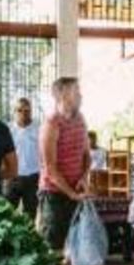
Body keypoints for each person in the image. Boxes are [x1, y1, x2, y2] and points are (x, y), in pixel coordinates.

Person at [38, 76, 92, 254]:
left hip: (75, 193)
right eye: (76, 91)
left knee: (73, 250)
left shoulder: (80, 119)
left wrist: (84, 178)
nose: (81, 95)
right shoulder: (51, 124)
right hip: (54, 195)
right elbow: (50, 168)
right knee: (52, 250)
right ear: (62, 96)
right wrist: (70, 193)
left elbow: (86, 154)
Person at [6, 95, 42, 217]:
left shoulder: (39, 129)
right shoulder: (8, 129)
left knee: (30, 215)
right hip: (12, 177)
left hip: (33, 178)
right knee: (7, 214)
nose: (23, 113)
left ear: (31, 111)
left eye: (27, 110)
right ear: (14, 112)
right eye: (19, 110)